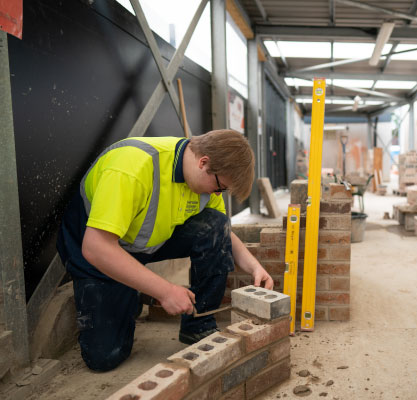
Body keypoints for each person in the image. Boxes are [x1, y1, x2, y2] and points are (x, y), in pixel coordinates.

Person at [57, 130, 273, 372]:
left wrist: (254, 266)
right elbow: (96, 247)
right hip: (100, 251)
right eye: (220, 187)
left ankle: (197, 326)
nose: (216, 194)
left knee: (215, 224)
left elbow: (222, 232)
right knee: (106, 356)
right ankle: (129, 289)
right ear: (204, 163)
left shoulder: (204, 182)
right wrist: (165, 290)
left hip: (146, 243)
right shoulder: (132, 167)